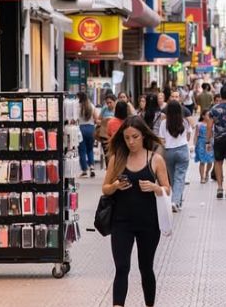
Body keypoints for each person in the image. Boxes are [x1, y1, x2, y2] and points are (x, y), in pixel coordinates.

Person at [101, 116, 171, 307]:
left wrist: (155, 188)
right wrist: (115, 185)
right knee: (121, 268)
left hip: (149, 223)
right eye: (127, 138)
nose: (131, 142)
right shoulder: (117, 159)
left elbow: (167, 189)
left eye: (135, 137)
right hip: (121, 223)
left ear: (143, 135)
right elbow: (105, 189)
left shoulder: (155, 159)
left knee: (146, 268)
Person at [156, 100, 191, 212]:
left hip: (169, 152)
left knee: (172, 178)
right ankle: (175, 202)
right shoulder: (185, 122)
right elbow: (188, 136)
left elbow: (162, 140)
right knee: (180, 178)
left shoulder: (163, 123)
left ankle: (177, 202)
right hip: (182, 150)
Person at [77, 91, 97, 178]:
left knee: (82, 150)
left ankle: (84, 170)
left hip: (81, 129)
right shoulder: (91, 106)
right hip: (91, 128)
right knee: (90, 149)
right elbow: (96, 118)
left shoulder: (77, 106)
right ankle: (92, 167)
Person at [192, 111, 214, 184]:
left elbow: (213, 135)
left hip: (209, 144)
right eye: (207, 115)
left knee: (210, 161)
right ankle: (202, 177)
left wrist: (211, 143)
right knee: (202, 161)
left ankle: (207, 172)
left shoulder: (212, 124)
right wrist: (194, 145)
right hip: (201, 144)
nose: (209, 116)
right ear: (203, 116)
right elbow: (196, 135)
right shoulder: (199, 125)